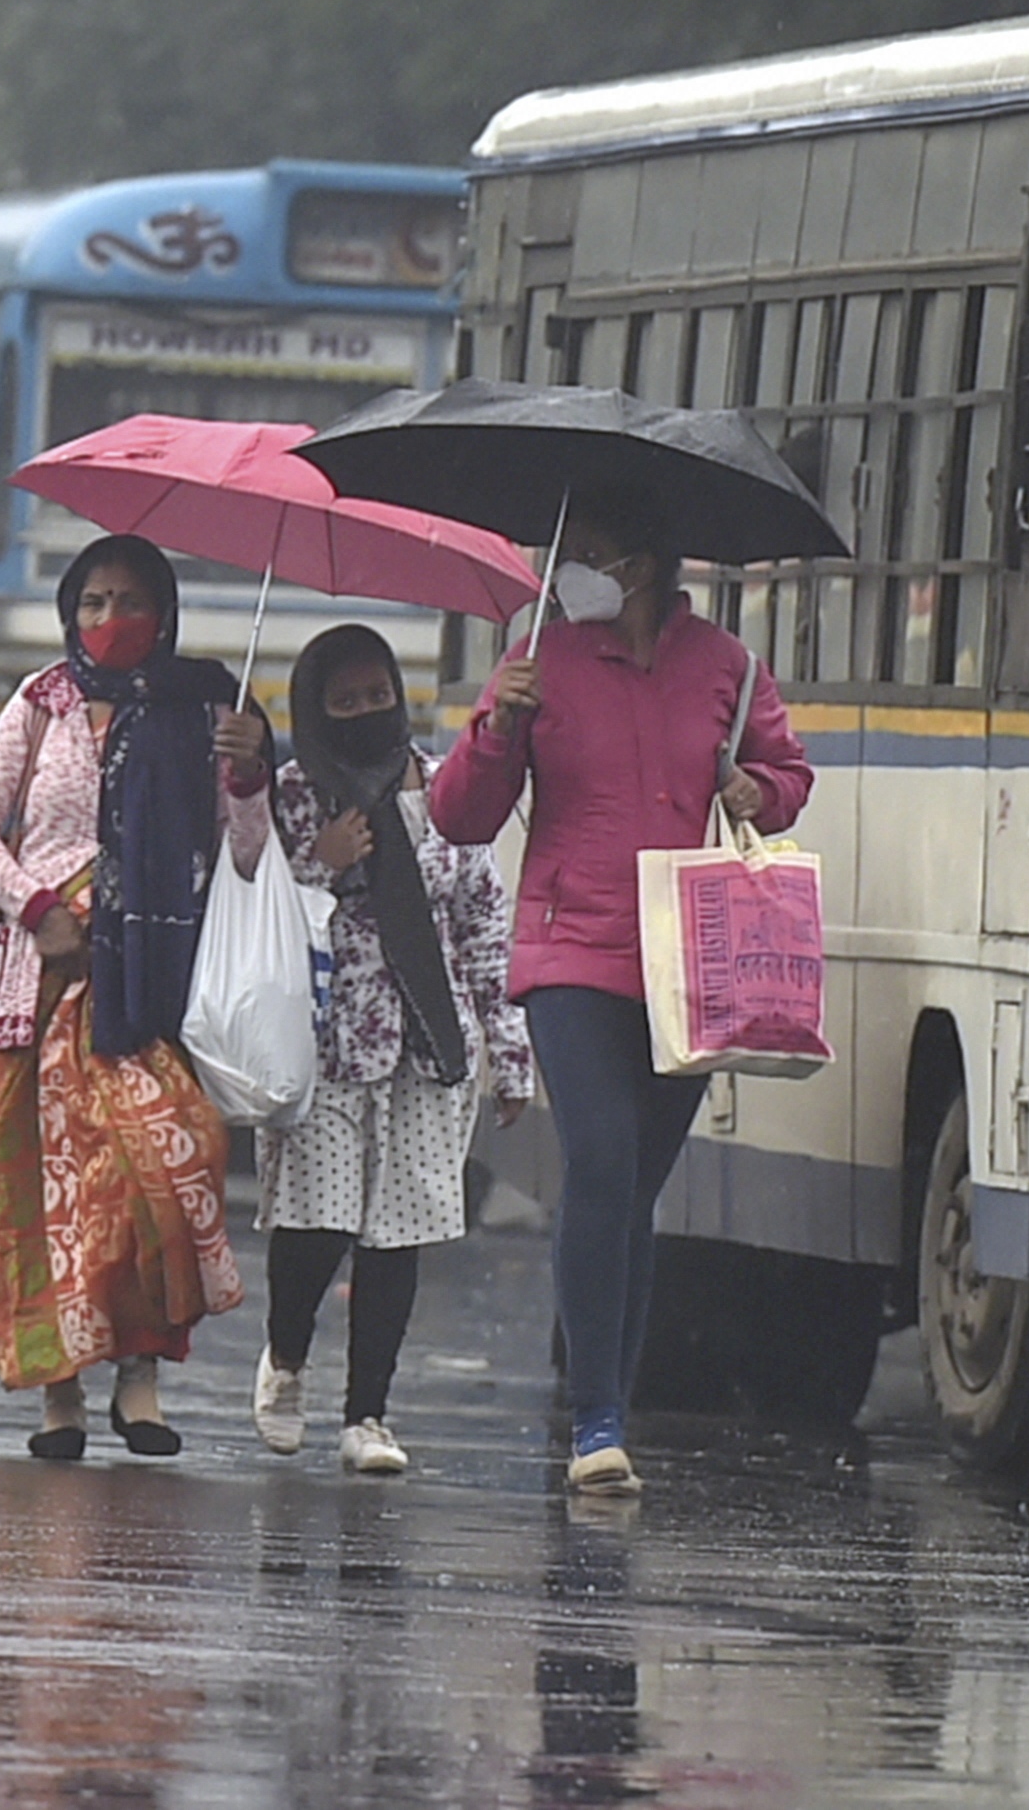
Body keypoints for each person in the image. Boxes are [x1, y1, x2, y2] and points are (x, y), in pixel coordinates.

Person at [429, 503, 811, 1496]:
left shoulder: (727, 664)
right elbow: (461, 814)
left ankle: (610, 1405)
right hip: (570, 948)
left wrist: (754, 794)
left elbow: (786, 771)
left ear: (640, 563)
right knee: (599, 1156)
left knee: (636, 1185)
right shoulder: (537, 659)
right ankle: (594, 1418)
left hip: (686, 960)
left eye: (590, 555)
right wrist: (495, 721)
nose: (571, 573)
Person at [0, 533, 271, 1460]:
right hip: (40, 989)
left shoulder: (208, 706)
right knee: (42, 1195)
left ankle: (141, 1379)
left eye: (128, 600)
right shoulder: (40, 703)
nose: (108, 618)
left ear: (163, 612)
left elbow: (246, 849)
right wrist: (36, 906)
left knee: (161, 1175)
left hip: (153, 989)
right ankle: (60, 1396)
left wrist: (249, 769)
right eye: (91, 600)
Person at [254, 624, 536, 1475]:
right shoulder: (295, 793)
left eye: (378, 696)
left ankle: (368, 1413)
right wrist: (319, 860)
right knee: (319, 1224)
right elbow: (249, 895)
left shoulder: (444, 788)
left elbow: (484, 920)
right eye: (345, 702)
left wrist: (509, 1048)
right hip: (328, 1039)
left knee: (395, 1233)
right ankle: (287, 1356)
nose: (366, 713)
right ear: (316, 709)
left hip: (427, 1041)